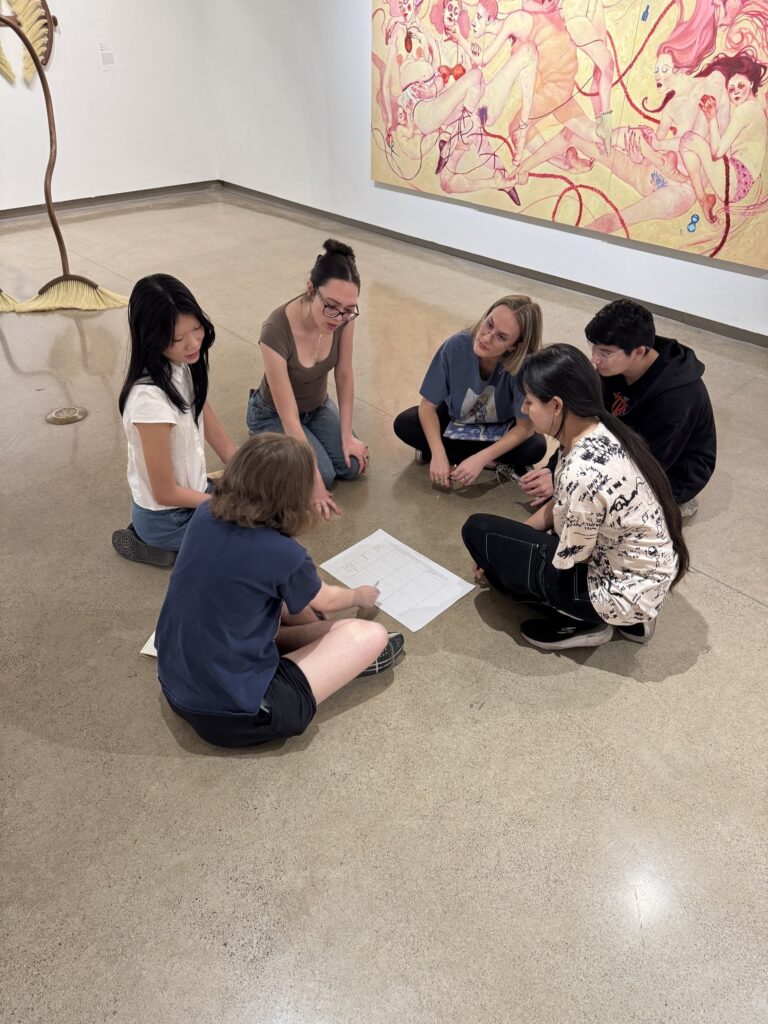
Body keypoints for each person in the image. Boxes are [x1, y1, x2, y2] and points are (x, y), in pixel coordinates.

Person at [155, 434, 405, 749]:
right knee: (370, 635)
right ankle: (340, 661)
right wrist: (359, 596)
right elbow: (327, 599)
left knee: (289, 608)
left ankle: (314, 644)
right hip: (234, 715)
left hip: (174, 680)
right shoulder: (284, 554)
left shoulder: (206, 514)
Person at [462, 344, 690, 651]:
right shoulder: (604, 428)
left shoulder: (580, 472)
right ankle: (631, 617)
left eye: (530, 401)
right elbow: (564, 509)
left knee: (478, 533)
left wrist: (500, 562)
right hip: (647, 577)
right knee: (504, 541)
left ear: (556, 405)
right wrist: (522, 535)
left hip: (611, 589)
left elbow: (570, 556)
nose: (525, 410)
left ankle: (586, 621)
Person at [520, 299, 716, 517]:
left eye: (605, 352)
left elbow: (649, 465)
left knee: (598, 518)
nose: (595, 359)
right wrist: (556, 469)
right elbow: (581, 419)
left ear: (639, 351)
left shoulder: (677, 399)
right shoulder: (612, 369)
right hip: (622, 444)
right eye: (593, 348)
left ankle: (672, 508)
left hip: (667, 471)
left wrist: (571, 482)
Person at [112, 274, 237, 568]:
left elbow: (206, 416)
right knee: (249, 546)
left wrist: (246, 469)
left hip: (194, 493)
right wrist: (226, 505)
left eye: (197, 329)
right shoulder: (148, 402)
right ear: (152, 339)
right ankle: (153, 544)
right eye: (178, 339)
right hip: (168, 517)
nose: (193, 343)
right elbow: (165, 492)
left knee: (263, 515)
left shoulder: (181, 363)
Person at [246, 240, 369, 521]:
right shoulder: (275, 330)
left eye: (349, 309)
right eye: (332, 306)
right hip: (273, 413)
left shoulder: (343, 318)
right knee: (322, 476)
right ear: (311, 290)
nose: (339, 317)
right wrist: (312, 478)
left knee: (352, 465)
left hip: (317, 406)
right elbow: (289, 417)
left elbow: (345, 374)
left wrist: (348, 434)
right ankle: (262, 443)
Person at [393, 295, 547, 487]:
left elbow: (524, 427)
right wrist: (439, 454)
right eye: (489, 324)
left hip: (500, 430)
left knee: (536, 448)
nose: (486, 337)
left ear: (517, 345)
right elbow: (427, 405)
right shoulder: (456, 346)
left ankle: (463, 455)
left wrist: (480, 459)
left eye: (501, 336)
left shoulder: (524, 367)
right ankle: (492, 462)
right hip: (455, 420)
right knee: (404, 423)